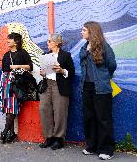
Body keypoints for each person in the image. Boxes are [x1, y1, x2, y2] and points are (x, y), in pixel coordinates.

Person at [80, 21, 116, 160]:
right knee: (89, 118)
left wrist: (105, 77)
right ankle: (91, 146)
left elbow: (112, 65)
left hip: (101, 88)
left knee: (103, 119)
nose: (81, 32)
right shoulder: (84, 47)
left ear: (92, 31)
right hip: (86, 87)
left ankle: (107, 150)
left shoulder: (104, 46)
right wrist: (87, 51)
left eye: (84, 30)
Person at [38, 33, 75, 150]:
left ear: (56, 42)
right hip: (47, 84)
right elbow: (43, 71)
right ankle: (48, 137)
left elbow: (72, 73)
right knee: (44, 109)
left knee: (60, 111)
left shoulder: (66, 55)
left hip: (60, 86)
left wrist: (61, 70)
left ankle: (59, 139)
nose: (47, 43)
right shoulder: (45, 55)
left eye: (49, 41)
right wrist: (42, 73)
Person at [0, 32, 33, 144]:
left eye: (10, 39)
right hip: (6, 83)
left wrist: (17, 66)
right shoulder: (6, 55)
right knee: (8, 108)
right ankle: (11, 133)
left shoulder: (23, 53)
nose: (8, 41)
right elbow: (4, 70)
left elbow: (30, 67)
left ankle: (5, 131)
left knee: (12, 107)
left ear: (16, 41)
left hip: (17, 83)